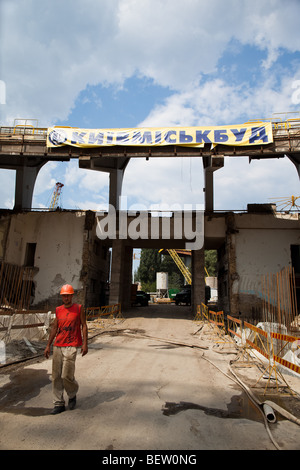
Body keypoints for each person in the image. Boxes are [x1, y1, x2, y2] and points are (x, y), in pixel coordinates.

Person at [44, 284, 88, 415]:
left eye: (68, 295)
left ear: (72, 296)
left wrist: (85, 344)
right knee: (56, 376)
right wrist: (48, 345)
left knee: (66, 375)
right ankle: (58, 403)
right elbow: (54, 329)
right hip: (58, 345)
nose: (66, 298)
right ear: (62, 297)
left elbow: (84, 326)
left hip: (72, 345)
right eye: (64, 296)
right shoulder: (58, 310)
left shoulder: (79, 309)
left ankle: (72, 393)